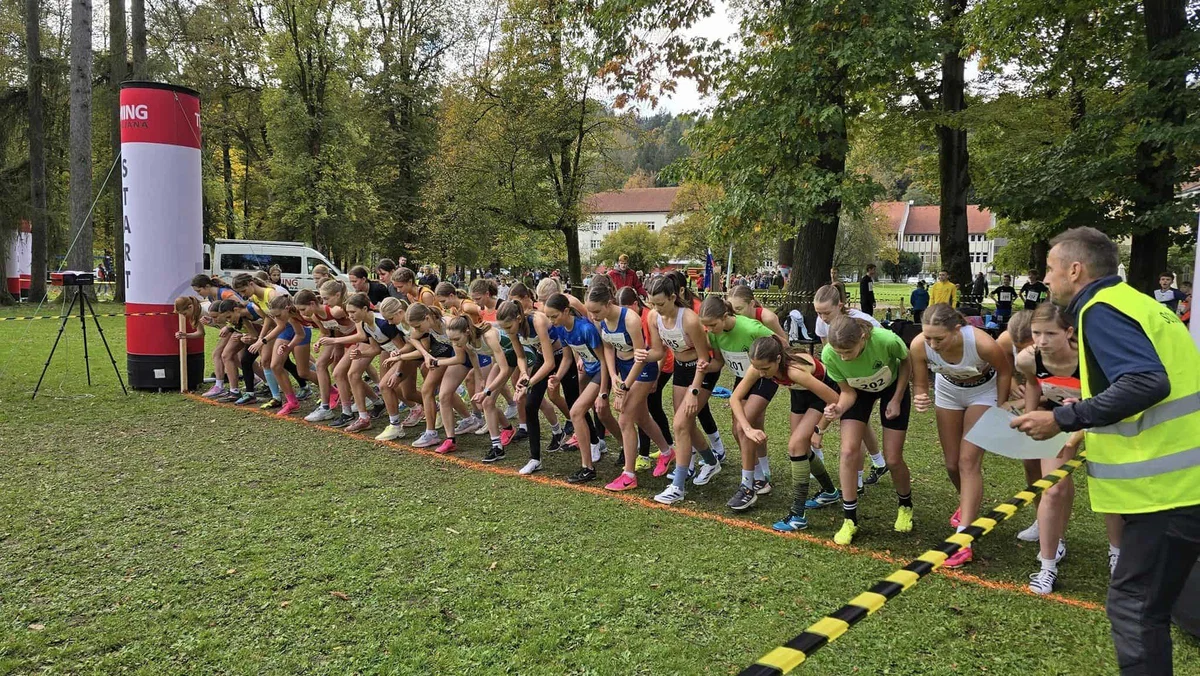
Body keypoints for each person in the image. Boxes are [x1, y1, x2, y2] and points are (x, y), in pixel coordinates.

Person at [1011, 226, 1200, 675]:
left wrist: (1062, 419)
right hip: (1182, 482)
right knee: (1175, 599)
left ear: (1075, 270)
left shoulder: (1099, 309)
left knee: (1134, 608)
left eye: (1051, 269)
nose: (1046, 278)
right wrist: (1088, 424)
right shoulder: (1137, 303)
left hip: (1166, 490)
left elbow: (1146, 382)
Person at [910, 303, 1011, 568]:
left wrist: (1001, 406)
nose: (932, 344)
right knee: (952, 463)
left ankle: (963, 539)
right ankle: (969, 507)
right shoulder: (920, 345)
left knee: (968, 461)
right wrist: (920, 396)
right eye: (928, 336)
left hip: (983, 392)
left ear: (958, 329)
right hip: (948, 392)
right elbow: (920, 383)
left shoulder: (981, 343)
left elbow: (1005, 370)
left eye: (939, 338)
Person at [821, 314, 915, 546]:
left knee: (893, 458)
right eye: (838, 352)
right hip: (858, 393)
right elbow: (848, 393)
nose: (843, 357)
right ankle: (850, 519)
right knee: (848, 452)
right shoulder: (829, 354)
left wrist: (897, 397)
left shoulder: (886, 340)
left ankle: (905, 505)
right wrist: (838, 408)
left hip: (892, 389)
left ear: (863, 338)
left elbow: (906, 361)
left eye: (848, 352)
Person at [1014, 302, 1084, 594]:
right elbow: (1032, 384)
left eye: (1050, 333)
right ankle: (1048, 565)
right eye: (1036, 333)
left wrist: (1080, 430)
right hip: (1058, 419)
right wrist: (1030, 416)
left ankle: (1117, 553)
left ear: (1068, 332)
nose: (1041, 341)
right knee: (1054, 487)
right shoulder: (1028, 359)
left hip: (1100, 420)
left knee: (1109, 489)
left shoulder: (1090, 357)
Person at [737, 337, 841, 532]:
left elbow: (835, 400)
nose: (760, 373)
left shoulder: (795, 371)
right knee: (799, 449)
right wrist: (748, 429)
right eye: (756, 367)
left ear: (777, 359)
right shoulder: (759, 366)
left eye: (765, 369)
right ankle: (830, 492)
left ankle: (798, 515)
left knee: (795, 446)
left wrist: (820, 430)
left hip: (823, 393)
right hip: (799, 393)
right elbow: (735, 398)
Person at [698, 296, 781, 511]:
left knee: (743, 428)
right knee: (740, 430)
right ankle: (761, 477)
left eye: (712, 324)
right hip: (742, 379)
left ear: (725, 317)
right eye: (705, 326)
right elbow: (718, 363)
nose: (708, 329)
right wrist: (703, 366)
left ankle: (748, 487)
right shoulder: (715, 335)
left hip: (764, 377)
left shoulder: (750, 327)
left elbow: (780, 344)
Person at [586, 283, 672, 491]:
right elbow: (607, 347)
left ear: (609, 303)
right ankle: (668, 452)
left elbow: (642, 356)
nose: (594, 316)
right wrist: (614, 375)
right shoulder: (602, 320)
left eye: (597, 311)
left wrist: (624, 387)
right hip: (623, 369)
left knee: (625, 418)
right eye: (591, 311)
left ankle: (629, 475)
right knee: (642, 418)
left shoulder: (630, 319)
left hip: (642, 369)